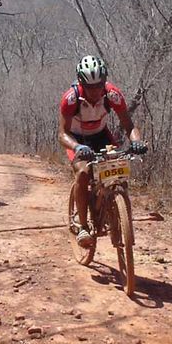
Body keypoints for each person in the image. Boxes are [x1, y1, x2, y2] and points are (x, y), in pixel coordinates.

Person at [58, 55, 147, 247]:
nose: (95, 91)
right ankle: (83, 226)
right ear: (81, 83)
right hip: (77, 139)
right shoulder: (70, 98)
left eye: (99, 86)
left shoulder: (112, 94)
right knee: (83, 173)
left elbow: (129, 125)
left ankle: (117, 213)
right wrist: (77, 147)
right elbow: (62, 134)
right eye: (90, 87)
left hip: (100, 136)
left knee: (119, 171)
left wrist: (137, 141)